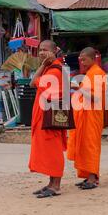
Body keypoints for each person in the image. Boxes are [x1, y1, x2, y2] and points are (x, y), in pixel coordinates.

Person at [28, 40, 67, 199]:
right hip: (47, 116)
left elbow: (32, 83)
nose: (42, 52)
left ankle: (56, 186)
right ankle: (51, 183)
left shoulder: (54, 71)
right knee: (49, 150)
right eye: (40, 50)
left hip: (51, 118)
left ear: (54, 51)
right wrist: (44, 65)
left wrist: (43, 65)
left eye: (45, 50)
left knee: (54, 151)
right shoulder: (50, 68)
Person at [67, 47, 107, 190]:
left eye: (84, 59)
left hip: (92, 116)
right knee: (84, 145)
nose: (82, 62)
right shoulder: (90, 73)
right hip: (85, 115)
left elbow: (95, 98)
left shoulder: (97, 73)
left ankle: (92, 178)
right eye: (80, 60)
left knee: (90, 146)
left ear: (93, 58)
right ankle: (88, 176)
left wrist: (78, 88)